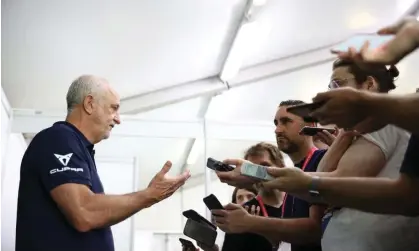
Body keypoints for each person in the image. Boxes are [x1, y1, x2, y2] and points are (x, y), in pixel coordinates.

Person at [15, 75, 190, 251]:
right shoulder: (58, 138)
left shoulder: (78, 148)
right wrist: (148, 196)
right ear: (89, 104)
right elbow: (84, 212)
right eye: (114, 108)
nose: (118, 119)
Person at [263, 60, 419, 251]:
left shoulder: (382, 122)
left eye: (338, 84)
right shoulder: (357, 130)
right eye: (330, 87)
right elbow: (323, 176)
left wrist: (271, 178)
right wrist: (343, 135)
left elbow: (331, 188)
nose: (330, 94)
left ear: (369, 84)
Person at [215, 100, 327, 251]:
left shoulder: (322, 160)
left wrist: (251, 222)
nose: (278, 130)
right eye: (276, 123)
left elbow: (316, 229)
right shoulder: (291, 187)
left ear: (311, 126)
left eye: (286, 121)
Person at [198, 142, 285, 251]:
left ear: (281, 166)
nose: (258, 174)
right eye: (252, 169)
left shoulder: (299, 201)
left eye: (264, 166)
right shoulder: (241, 214)